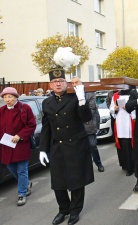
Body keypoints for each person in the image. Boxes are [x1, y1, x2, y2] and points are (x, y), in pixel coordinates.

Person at [39, 54, 94, 224]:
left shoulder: (75, 97)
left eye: (61, 80)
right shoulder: (46, 103)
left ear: (66, 83)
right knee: (58, 182)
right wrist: (42, 149)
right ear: (50, 85)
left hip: (76, 144)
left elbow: (86, 118)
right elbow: (46, 127)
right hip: (58, 147)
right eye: (55, 81)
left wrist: (82, 98)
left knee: (76, 180)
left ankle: (75, 210)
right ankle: (63, 209)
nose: (58, 83)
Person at [0, 87, 36, 206]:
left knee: (21, 170)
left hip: (20, 145)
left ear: (16, 97)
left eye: (9, 97)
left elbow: (32, 125)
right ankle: (26, 184)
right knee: (11, 169)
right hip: (6, 146)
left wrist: (20, 135)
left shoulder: (25, 108)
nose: (7, 99)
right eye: (5, 97)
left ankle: (22, 194)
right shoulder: (1, 110)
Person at [71, 76, 104, 173]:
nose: (75, 85)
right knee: (80, 148)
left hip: (88, 124)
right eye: (73, 83)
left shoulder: (89, 93)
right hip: (77, 126)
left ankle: (98, 163)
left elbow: (92, 110)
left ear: (82, 83)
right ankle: (85, 166)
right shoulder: (71, 94)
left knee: (92, 145)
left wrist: (81, 101)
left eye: (77, 82)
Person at [109, 89, 135, 176]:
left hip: (129, 122)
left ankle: (131, 167)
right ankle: (124, 165)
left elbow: (136, 107)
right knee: (122, 145)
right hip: (119, 123)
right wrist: (114, 108)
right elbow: (111, 109)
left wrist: (128, 108)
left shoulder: (133, 93)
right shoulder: (115, 95)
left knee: (129, 145)